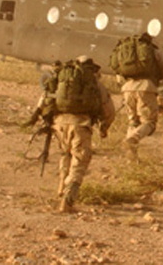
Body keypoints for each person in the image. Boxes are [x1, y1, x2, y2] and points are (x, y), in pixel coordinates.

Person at [46, 56, 115, 213]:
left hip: (59, 124)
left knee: (65, 154)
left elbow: (46, 98)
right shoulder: (94, 83)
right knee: (79, 161)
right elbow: (108, 109)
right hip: (80, 125)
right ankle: (67, 200)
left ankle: (61, 187)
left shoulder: (62, 77)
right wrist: (105, 127)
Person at [114, 32, 163, 162]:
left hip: (127, 87)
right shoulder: (153, 51)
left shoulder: (125, 52)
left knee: (133, 121)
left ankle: (131, 156)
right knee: (149, 122)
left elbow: (118, 73)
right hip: (145, 87)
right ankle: (133, 139)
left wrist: (125, 88)